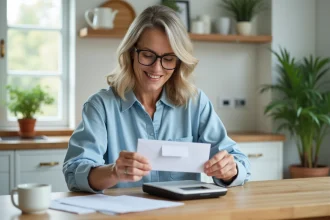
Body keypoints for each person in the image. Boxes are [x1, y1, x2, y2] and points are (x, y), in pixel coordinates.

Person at [63, 5, 251, 193]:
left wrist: (229, 170)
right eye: (148, 55)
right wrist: (113, 172)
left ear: (179, 62)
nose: (157, 68)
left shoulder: (195, 103)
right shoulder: (101, 106)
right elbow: (74, 172)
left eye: (168, 58)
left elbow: (239, 162)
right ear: (131, 53)